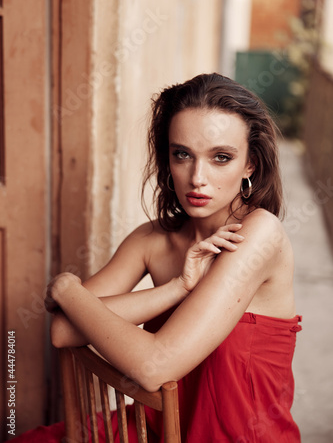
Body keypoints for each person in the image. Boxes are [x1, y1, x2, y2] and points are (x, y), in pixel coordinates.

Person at [13, 73, 302, 442]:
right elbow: (63, 330)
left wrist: (67, 288)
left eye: (221, 158)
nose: (197, 177)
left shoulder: (259, 234)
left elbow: (154, 368)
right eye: (182, 154)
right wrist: (178, 288)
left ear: (250, 165)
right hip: (153, 431)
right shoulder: (152, 239)